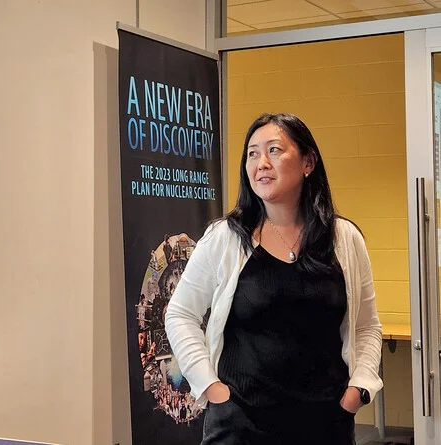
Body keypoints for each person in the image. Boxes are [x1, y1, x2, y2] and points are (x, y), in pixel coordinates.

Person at [164, 113, 382, 445]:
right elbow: (180, 314)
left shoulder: (344, 239)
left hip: (325, 425)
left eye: (274, 150)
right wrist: (210, 386)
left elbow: (367, 327)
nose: (261, 163)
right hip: (240, 427)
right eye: (252, 153)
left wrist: (358, 390)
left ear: (308, 162)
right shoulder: (225, 238)